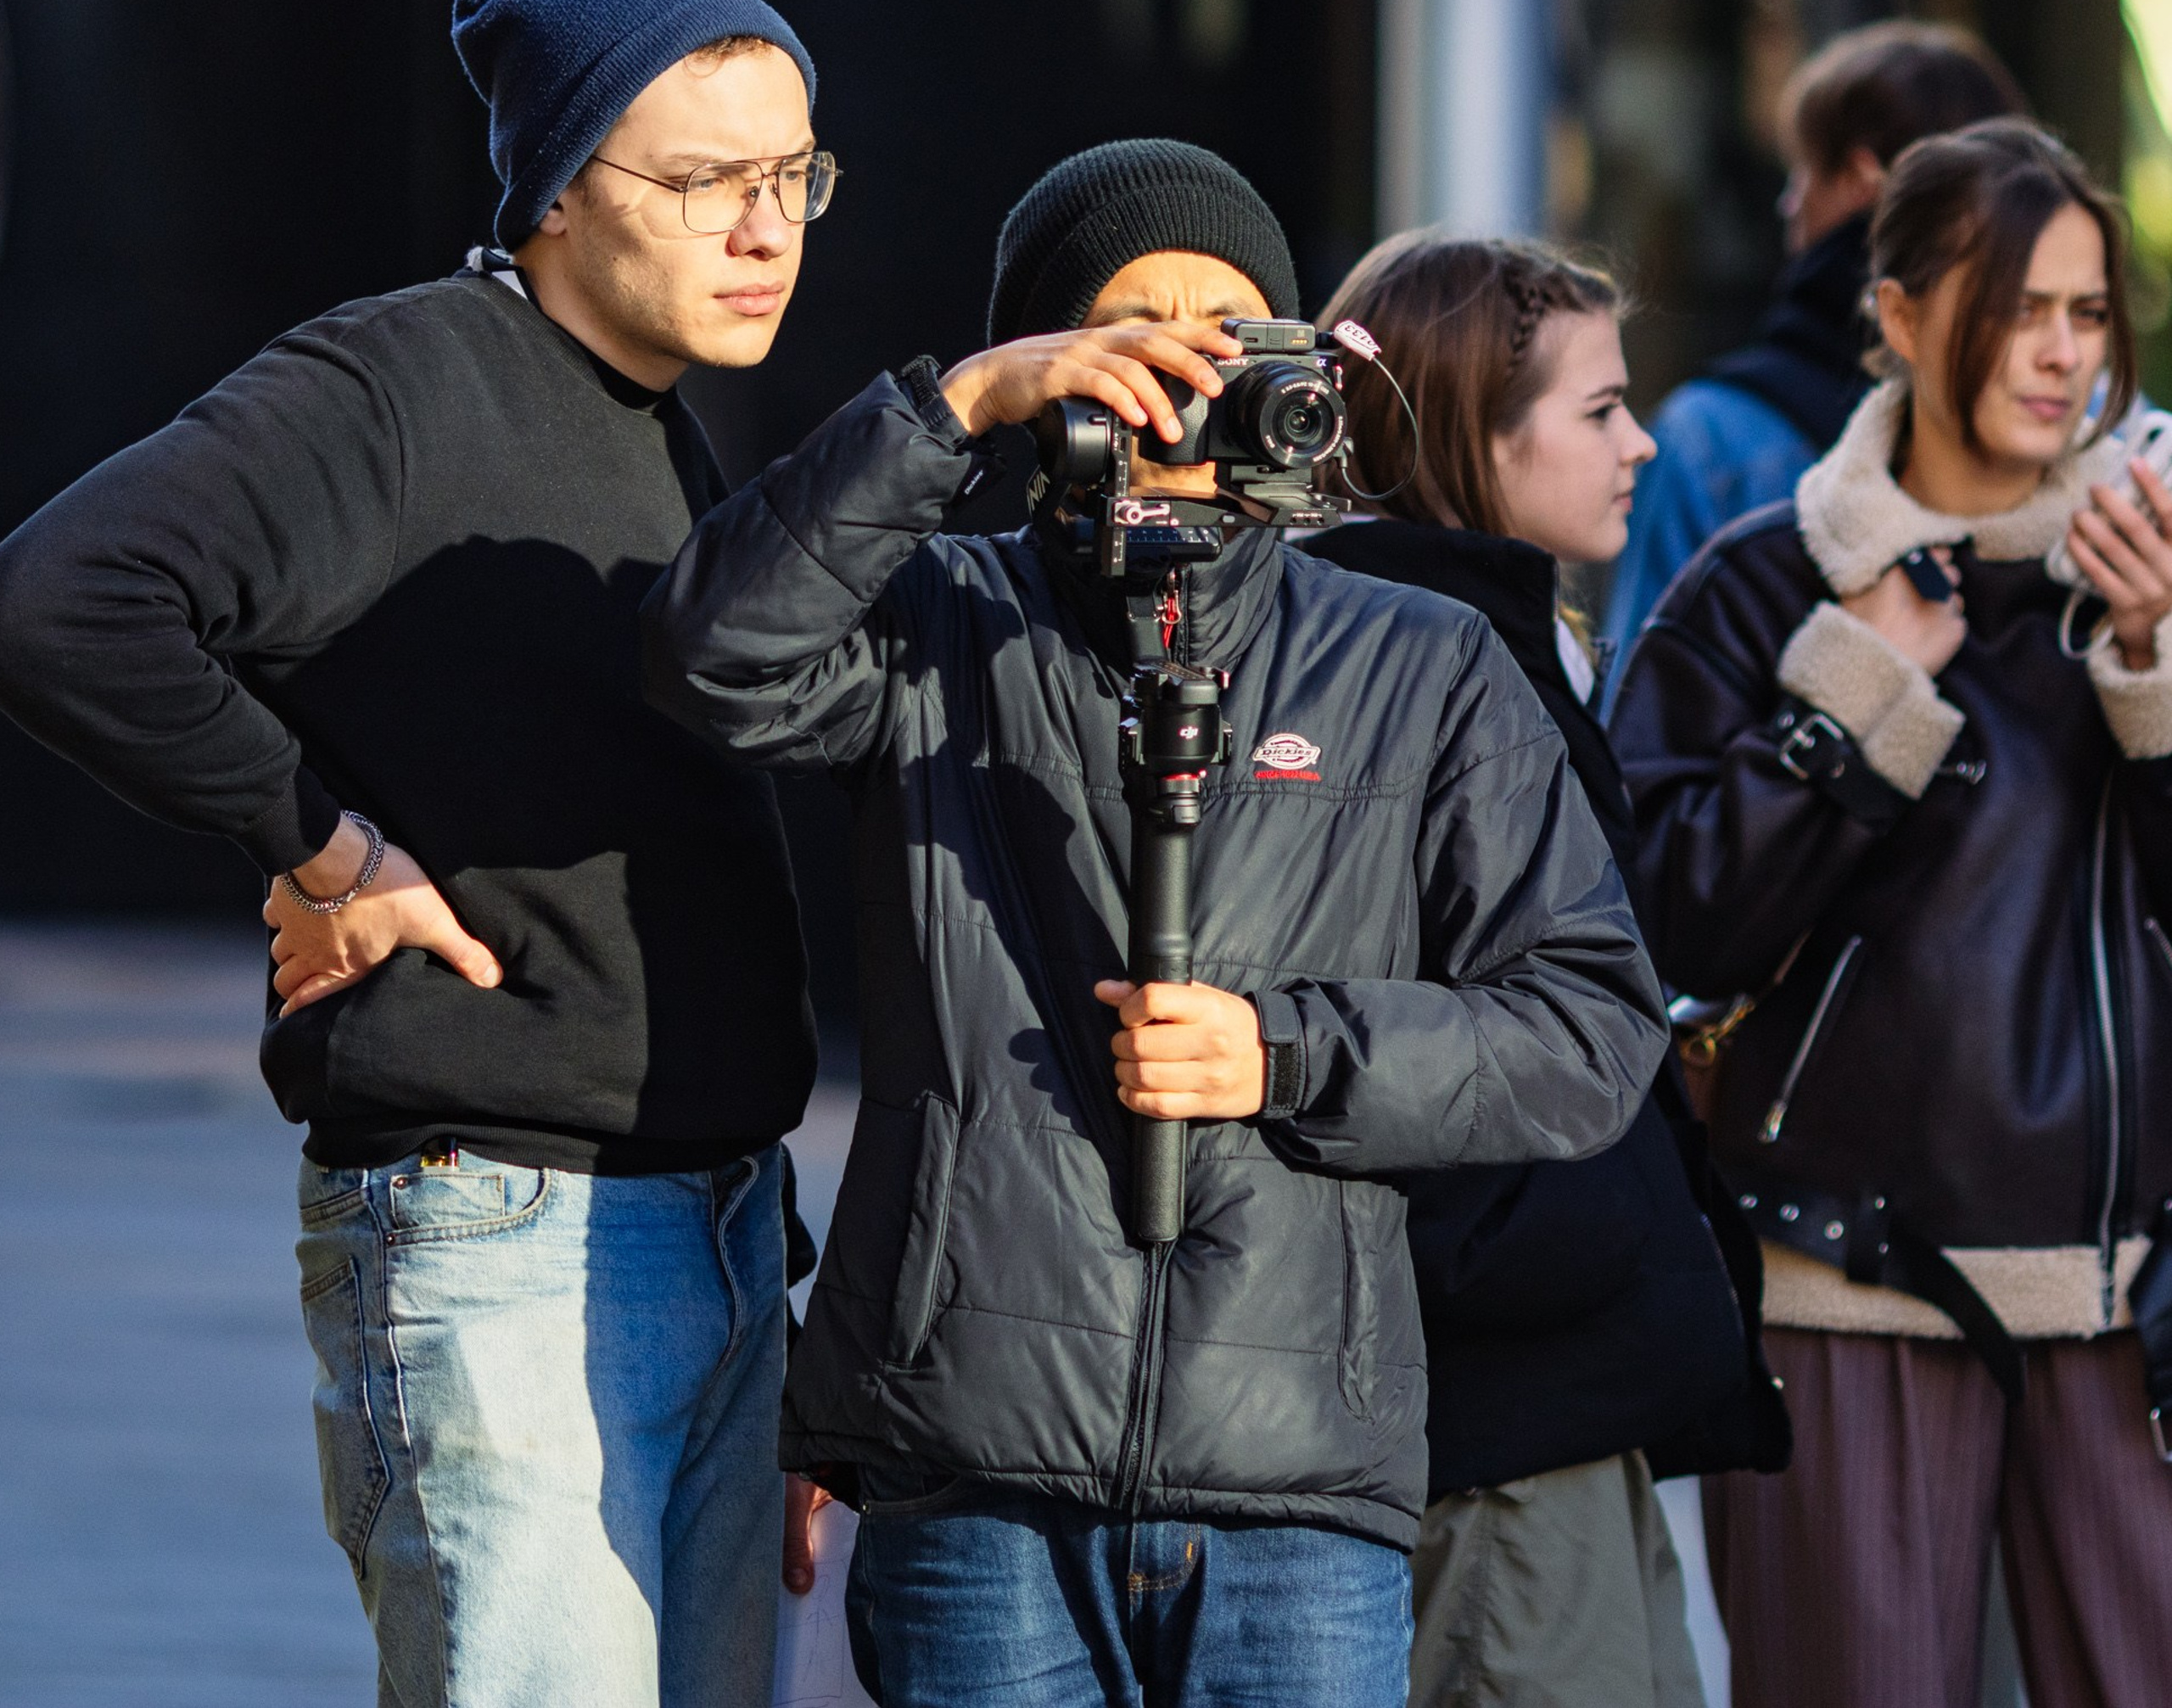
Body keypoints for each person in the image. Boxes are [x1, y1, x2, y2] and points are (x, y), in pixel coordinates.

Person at [641, 138, 1671, 1708]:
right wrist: (952, 408)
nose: (1182, 389)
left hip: (1300, 1494)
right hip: (975, 1465)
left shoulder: (1424, 661)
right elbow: (711, 652)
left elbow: (1591, 1030)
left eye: (1229, 336)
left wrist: (1285, 1053)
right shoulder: (937, 620)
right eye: (1134, 341)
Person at [0, 0, 827, 1708]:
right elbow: (61, 597)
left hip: (715, 1227)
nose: (764, 229)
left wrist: (784, 1287)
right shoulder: (397, 385)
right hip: (505, 1239)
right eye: (703, 181)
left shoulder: (656, 423)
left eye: (791, 174)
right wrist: (320, 840)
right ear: (553, 186)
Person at [1610, 118, 2172, 1708]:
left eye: (2087, 312)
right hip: (1839, 1281)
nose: (2062, 355)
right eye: (2016, 306)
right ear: (1906, 310)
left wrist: (2154, 667)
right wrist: (1850, 700)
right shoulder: (1758, 585)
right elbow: (1667, 929)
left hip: (2133, 1297)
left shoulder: (2152, 574)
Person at [1306, 235, 1788, 1708]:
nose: (1643, 440)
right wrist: (1550, 1231)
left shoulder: (1504, 643)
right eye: (1598, 410)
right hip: (1502, 1403)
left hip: (1563, 1385)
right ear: (1469, 428)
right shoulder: (1407, 669)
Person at [1604, 20, 2027, 654]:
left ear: (1860, 178)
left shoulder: (1713, 439)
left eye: (1801, 173)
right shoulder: (2088, 421)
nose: (1787, 204)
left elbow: (1644, 718)